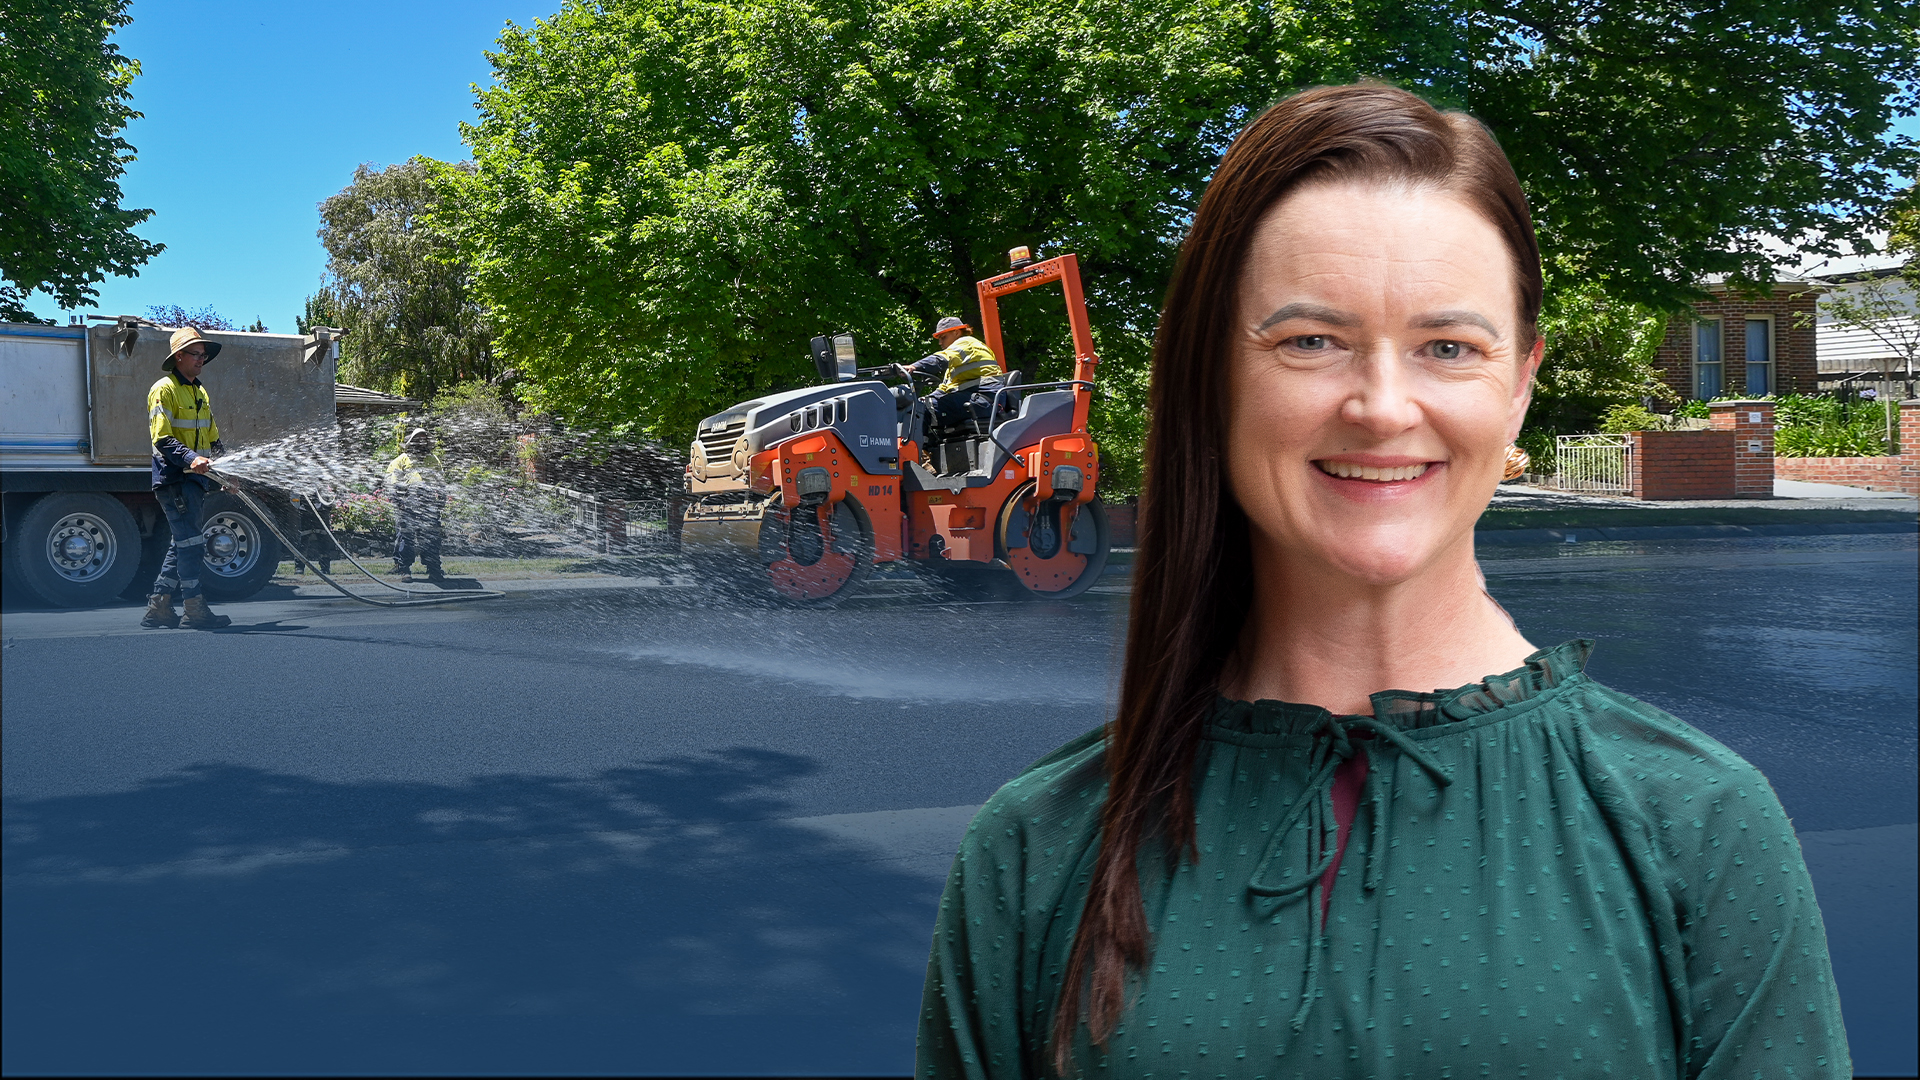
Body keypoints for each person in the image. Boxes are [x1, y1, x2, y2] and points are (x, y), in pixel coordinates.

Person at [917, 84, 1847, 1077]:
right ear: (1213, 374)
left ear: (1520, 384)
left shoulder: (1700, 827)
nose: (1383, 406)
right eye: (1310, 340)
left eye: (1448, 347)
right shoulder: (1036, 848)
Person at [141, 327, 232, 630]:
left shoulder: (199, 392)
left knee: (182, 543)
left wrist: (226, 471)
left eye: (204, 355)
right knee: (191, 544)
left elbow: (213, 439)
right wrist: (192, 458)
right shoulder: (163, 389)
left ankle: (159, 607)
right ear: (179, 356)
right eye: (196, 353)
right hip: (174, 479)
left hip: (195, 480)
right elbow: (162, 437)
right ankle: (194, 609)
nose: (201, 359)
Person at [893, 316, 1005, 449]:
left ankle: (919, 455)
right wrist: (925, 399)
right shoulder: (957, 364)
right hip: (974, 397)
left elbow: (940, 359)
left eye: (943, 337)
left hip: (985, 399)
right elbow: (946, 388)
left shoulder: (966, 343)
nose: (940, 342)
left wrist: (915, 366)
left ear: (956, 332)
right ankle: (928, 453)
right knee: (921, 406)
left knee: (923, 410)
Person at [384, 428, 444, 583]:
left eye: (423, 439)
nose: (421, 442)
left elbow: (440, 482)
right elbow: (394, 483)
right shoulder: (401, 460)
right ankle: (404, 569)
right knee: (407, 537)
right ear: (411, 442)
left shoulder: (433, 460)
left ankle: (434, 569)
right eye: (417, 439)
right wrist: (399, 502)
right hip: (408, 501)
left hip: (428, 502)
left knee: (431, 537)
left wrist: (441, 500)